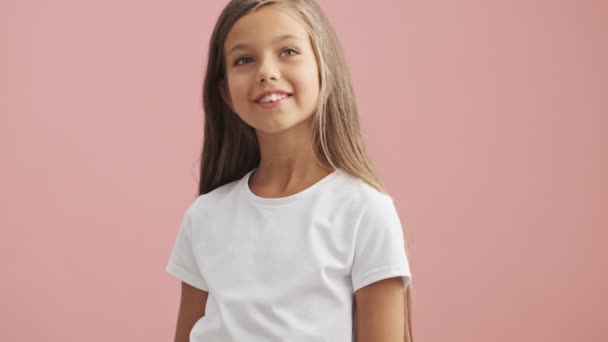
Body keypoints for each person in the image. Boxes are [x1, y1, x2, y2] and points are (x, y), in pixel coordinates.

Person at [165, 0, 414, 341]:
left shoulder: (364, 211)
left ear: (323, 67)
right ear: (225, 92)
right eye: (244, 60)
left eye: (288, 51)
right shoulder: (205, 216)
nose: (266, 72)